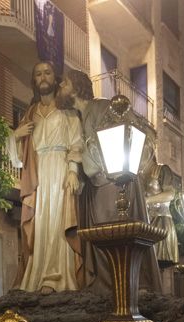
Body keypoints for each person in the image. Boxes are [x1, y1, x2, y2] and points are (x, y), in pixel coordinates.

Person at [59, 68, 161, 293]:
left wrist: (81, 156)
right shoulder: (82, 115)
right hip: (100, 186)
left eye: (64, 83)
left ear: (76, 87)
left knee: (116, 235)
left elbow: (112, 144)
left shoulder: (102, 107)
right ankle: (110, 289)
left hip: (115, 184)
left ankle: (128, 289)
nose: (60, 87)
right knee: (104, 238)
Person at [8, 61, 83, 293]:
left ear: (55, 78)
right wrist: (15, 135)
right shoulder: (30, 114)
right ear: (34, 80)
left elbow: (76, 142)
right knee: (41, 224)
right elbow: (18, 158)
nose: (43, 77)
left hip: (60, 169)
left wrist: (72, 170)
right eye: (38, 73)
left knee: (58, 220)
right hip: (39, 174)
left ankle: (58, 276)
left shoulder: (68, 111)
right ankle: (39, 275)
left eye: (47, 73)